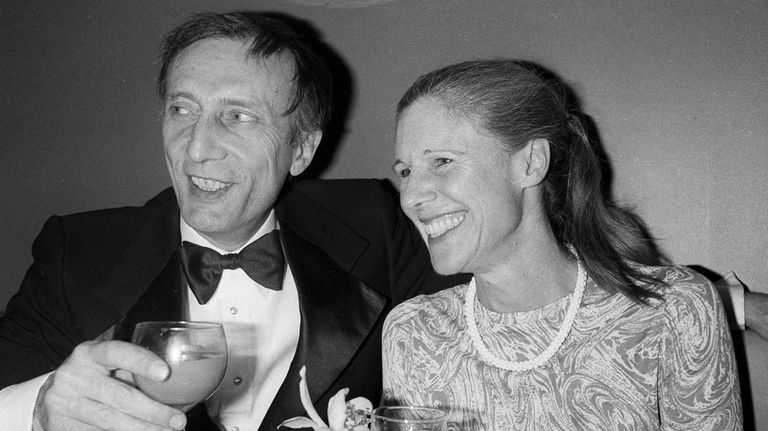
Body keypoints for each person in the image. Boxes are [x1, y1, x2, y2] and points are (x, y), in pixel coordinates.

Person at [0, 12, 460, 431]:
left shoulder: (372, 223)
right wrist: (36, 410)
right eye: (182, 110)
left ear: (300, 150)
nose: (197, 148)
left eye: (237, 117)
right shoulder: (77, 253)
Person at [382, 60, 743, 430]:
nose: (410, 197)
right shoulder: (415, 332)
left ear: (530, 163)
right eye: (405, 172)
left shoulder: (674, 313)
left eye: (442, 161)